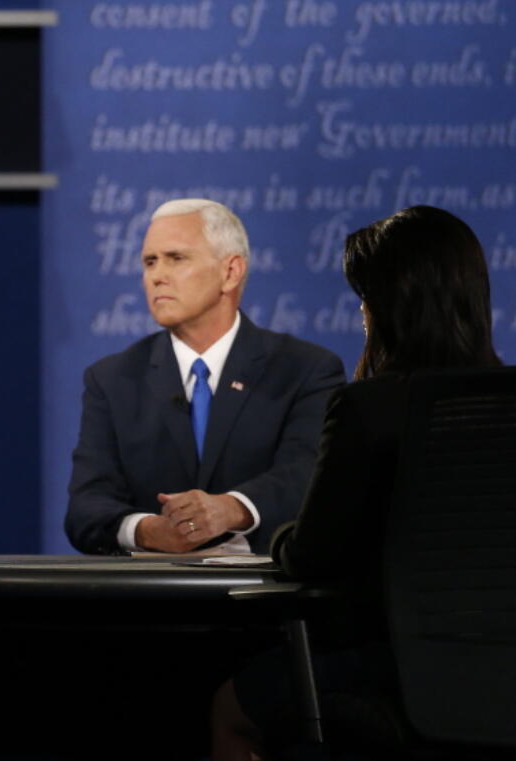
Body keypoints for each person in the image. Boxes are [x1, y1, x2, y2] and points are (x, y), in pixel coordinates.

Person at [211, 205, 503, 760]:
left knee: (232, 710)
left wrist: (279, 538)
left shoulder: (368, 408)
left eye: (365, 300)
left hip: (403, 669)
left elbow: (312, 556)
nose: (363, 316)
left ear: (390, 309)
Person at [66, 198, 345, 555]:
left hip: (267, 600)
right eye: (149, 261)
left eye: (176, 258)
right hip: (149, 599)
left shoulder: (304, 370)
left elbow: (309, 478)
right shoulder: (112, 379)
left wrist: (232, 509)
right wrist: (148, 530)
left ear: (231, 272)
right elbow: (86, 507)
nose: (157, 275)